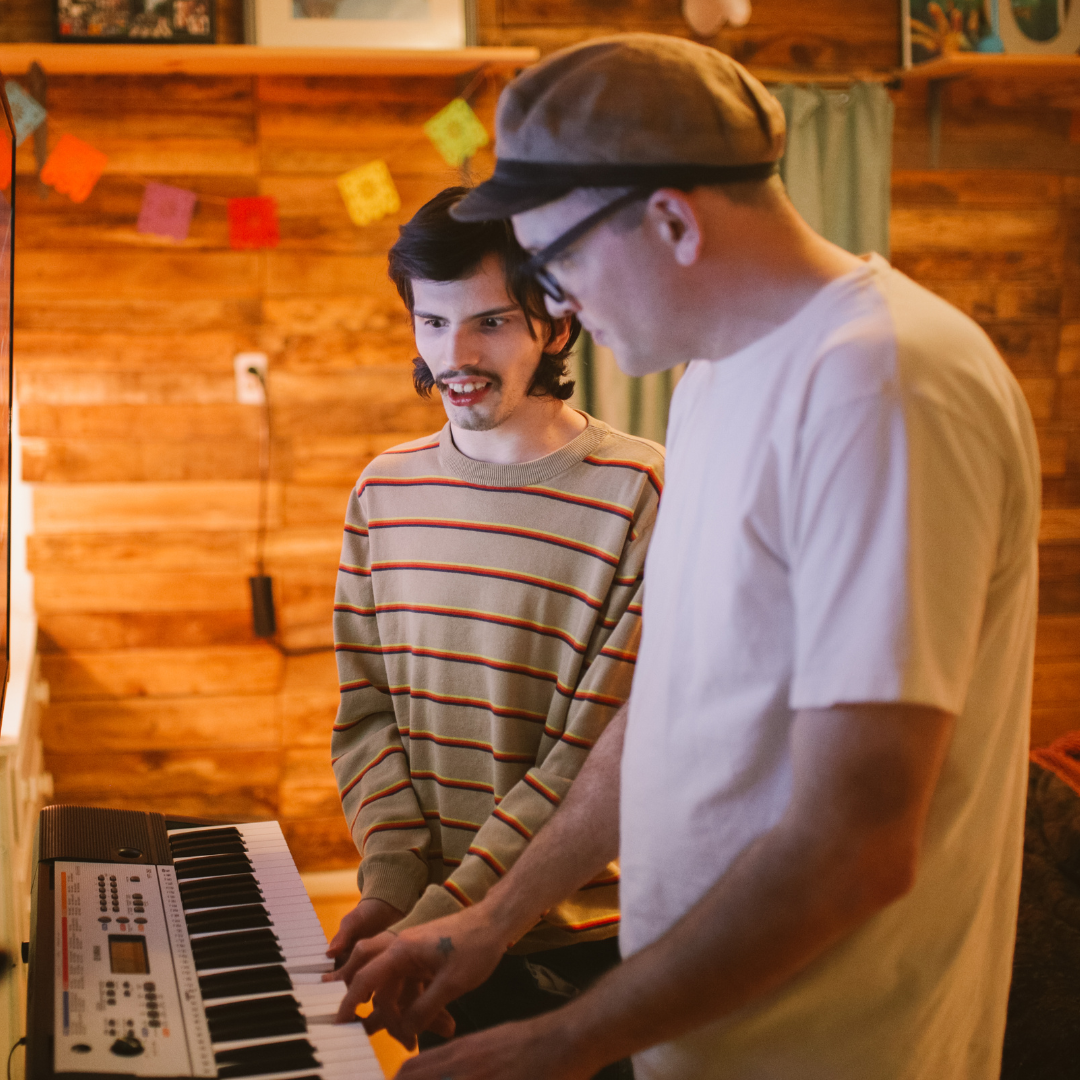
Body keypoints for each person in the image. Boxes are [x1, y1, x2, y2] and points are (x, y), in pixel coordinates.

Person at [327, 34, 1042, 1080]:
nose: (556, 308)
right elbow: (658, 717)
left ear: (669, 218)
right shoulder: (713, 379)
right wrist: (490, 918)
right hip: (694, 1033)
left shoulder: (884, 384)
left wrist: (561, 1039)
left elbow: (858, 843)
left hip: (835, 1052)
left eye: (556, 264)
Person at [327, 185, 663, 1078]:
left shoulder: (640, 492)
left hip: (580, 937)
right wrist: (396, 883)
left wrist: (459, 906)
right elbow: (367, 718)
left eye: (491, 323)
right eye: (432, 323)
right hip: (420, 927)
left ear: (555, 325)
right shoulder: (382, 490)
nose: (455, 356)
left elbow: (592, 751)